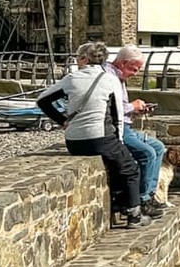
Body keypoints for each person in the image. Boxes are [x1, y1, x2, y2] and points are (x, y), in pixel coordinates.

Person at [38, 41, 149, 228]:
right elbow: (117, 117)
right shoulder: (110, 80)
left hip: (73, 141)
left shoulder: (71, 79)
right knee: (130, 168)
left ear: (84, 59)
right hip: (101, 138)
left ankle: (119, 204)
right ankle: (134, 215)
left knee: (115, 166)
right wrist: (119, 142)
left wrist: (61, 120)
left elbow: (42, 100)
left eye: (78, 58)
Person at [105, 45, 168, 218]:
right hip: (117, 128)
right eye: (134, 68)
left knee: (158, 147)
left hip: (126, 125)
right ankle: (141, 200)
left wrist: (136, 109)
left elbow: (121, 107)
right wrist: (132, 106)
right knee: (147, 153)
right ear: (124, 63)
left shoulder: (119, 77)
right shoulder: (109, 77)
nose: (136, 73)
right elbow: (112, 106)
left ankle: (149, 195)